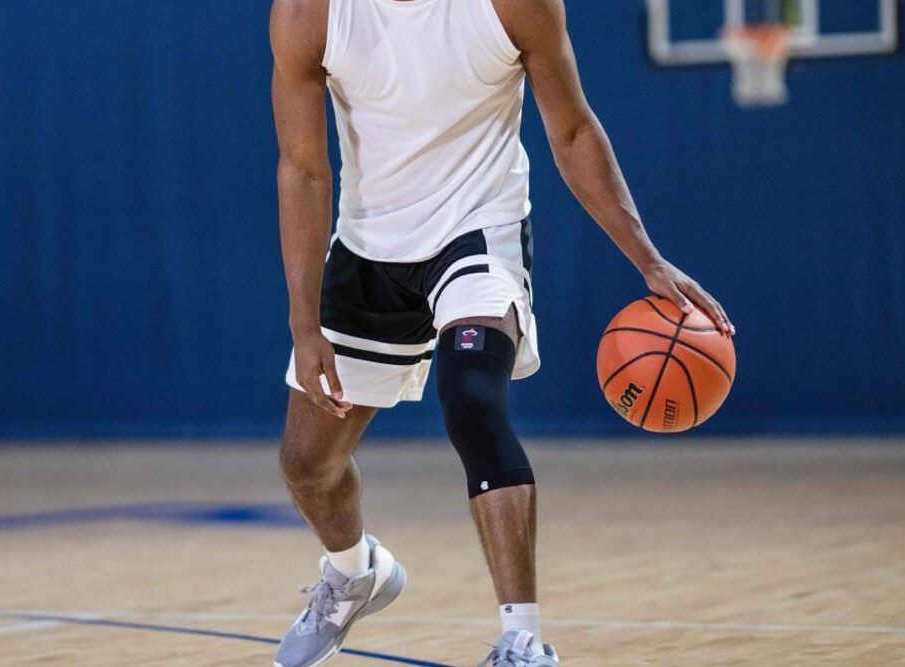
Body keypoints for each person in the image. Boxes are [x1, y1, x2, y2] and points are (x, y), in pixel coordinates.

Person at [269, 0, 734, 664]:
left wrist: (648, 259)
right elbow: (304, 169)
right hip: (370, 247)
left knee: (473, 398)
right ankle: (354, 571)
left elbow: (572, 131)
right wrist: (303, 320)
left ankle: (522, 641)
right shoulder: (307, 13)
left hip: (477, 231)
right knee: (306, 464)